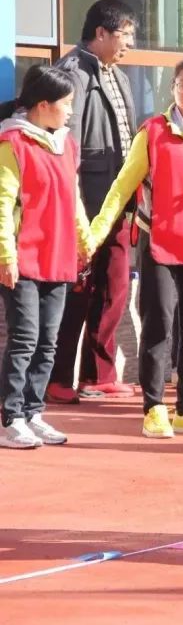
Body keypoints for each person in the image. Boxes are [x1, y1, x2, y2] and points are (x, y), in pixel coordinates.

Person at [88, 59, 183, 437]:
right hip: (159, 244)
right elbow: (122, 187)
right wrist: (94, 234)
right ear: (172, 88)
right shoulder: (153, 132)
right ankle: (154, 407)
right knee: (158, 327)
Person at [46, 0, 138, 406]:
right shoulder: (74, 73)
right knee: (77, 291)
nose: (129, 44)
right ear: (100, 32)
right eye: (125, 34)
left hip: (117, 201)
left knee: (115, 285)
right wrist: (75, 208)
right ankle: (57, 376)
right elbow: (69, 147)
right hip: (87, 205)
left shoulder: (115, 73)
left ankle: (98, 375)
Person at [0, 66, 89, 448]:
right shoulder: (12, 143)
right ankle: (11, 417)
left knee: (48, 341)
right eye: (66, 103)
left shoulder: (67, 144)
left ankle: (34, 412)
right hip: (23, 259)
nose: (70, 111)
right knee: (24, 339)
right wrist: (6, 256)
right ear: (42, 105)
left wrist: (85, 239)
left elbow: (74, 198)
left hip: (59, 257)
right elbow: (3, 205)